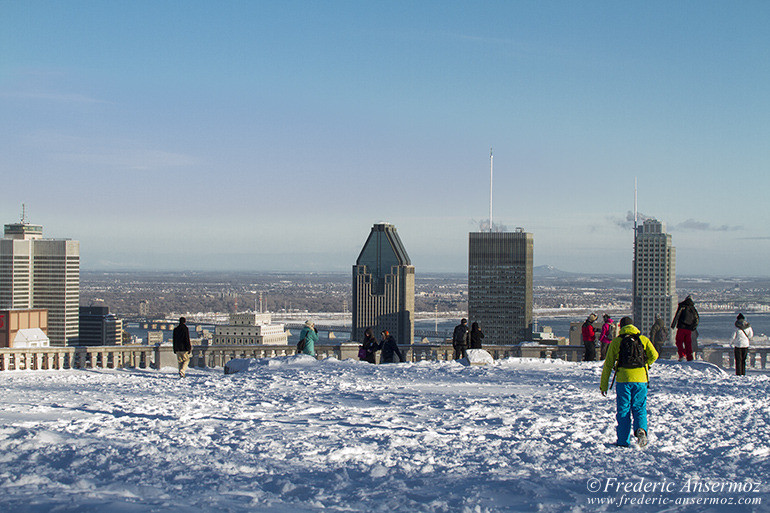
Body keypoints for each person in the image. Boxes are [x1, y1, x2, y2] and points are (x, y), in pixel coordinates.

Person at [600, 316, 659, 448]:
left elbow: (608, 364)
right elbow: (655, 355)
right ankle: (641, 431)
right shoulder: (643, 339)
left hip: (623, 379)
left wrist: (604, 385)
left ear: (621, 327)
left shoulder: (617, 342)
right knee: (639, 407)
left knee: (623, 410)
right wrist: (646, 365)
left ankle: (623, 441)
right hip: (641, 379)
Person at [671, 295, 699, 361]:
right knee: (688, 343)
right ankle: (689, 357)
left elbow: (677, 315)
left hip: (681, 327)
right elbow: (697, 318)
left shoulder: (682, 306)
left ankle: (682, 355)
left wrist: (673, 325)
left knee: (679, 342)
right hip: (689, 329)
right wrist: (693, 327)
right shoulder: (693, 308)